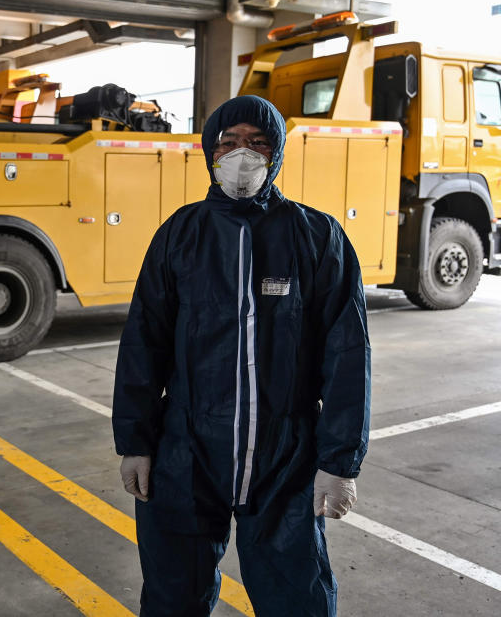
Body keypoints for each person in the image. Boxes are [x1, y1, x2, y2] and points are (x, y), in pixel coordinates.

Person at [112, 95, 369, 617]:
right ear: (209, 153)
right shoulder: (180, 235)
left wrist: (339, 462)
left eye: (257, 143)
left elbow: (347, 355)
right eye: (228, 143)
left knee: (296, 596)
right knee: (172, 595)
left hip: (285, 454)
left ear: (276, 154)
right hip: (185, 451)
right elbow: (144, 342)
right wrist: (136, 441)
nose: (241, 155)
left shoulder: (316, 236)